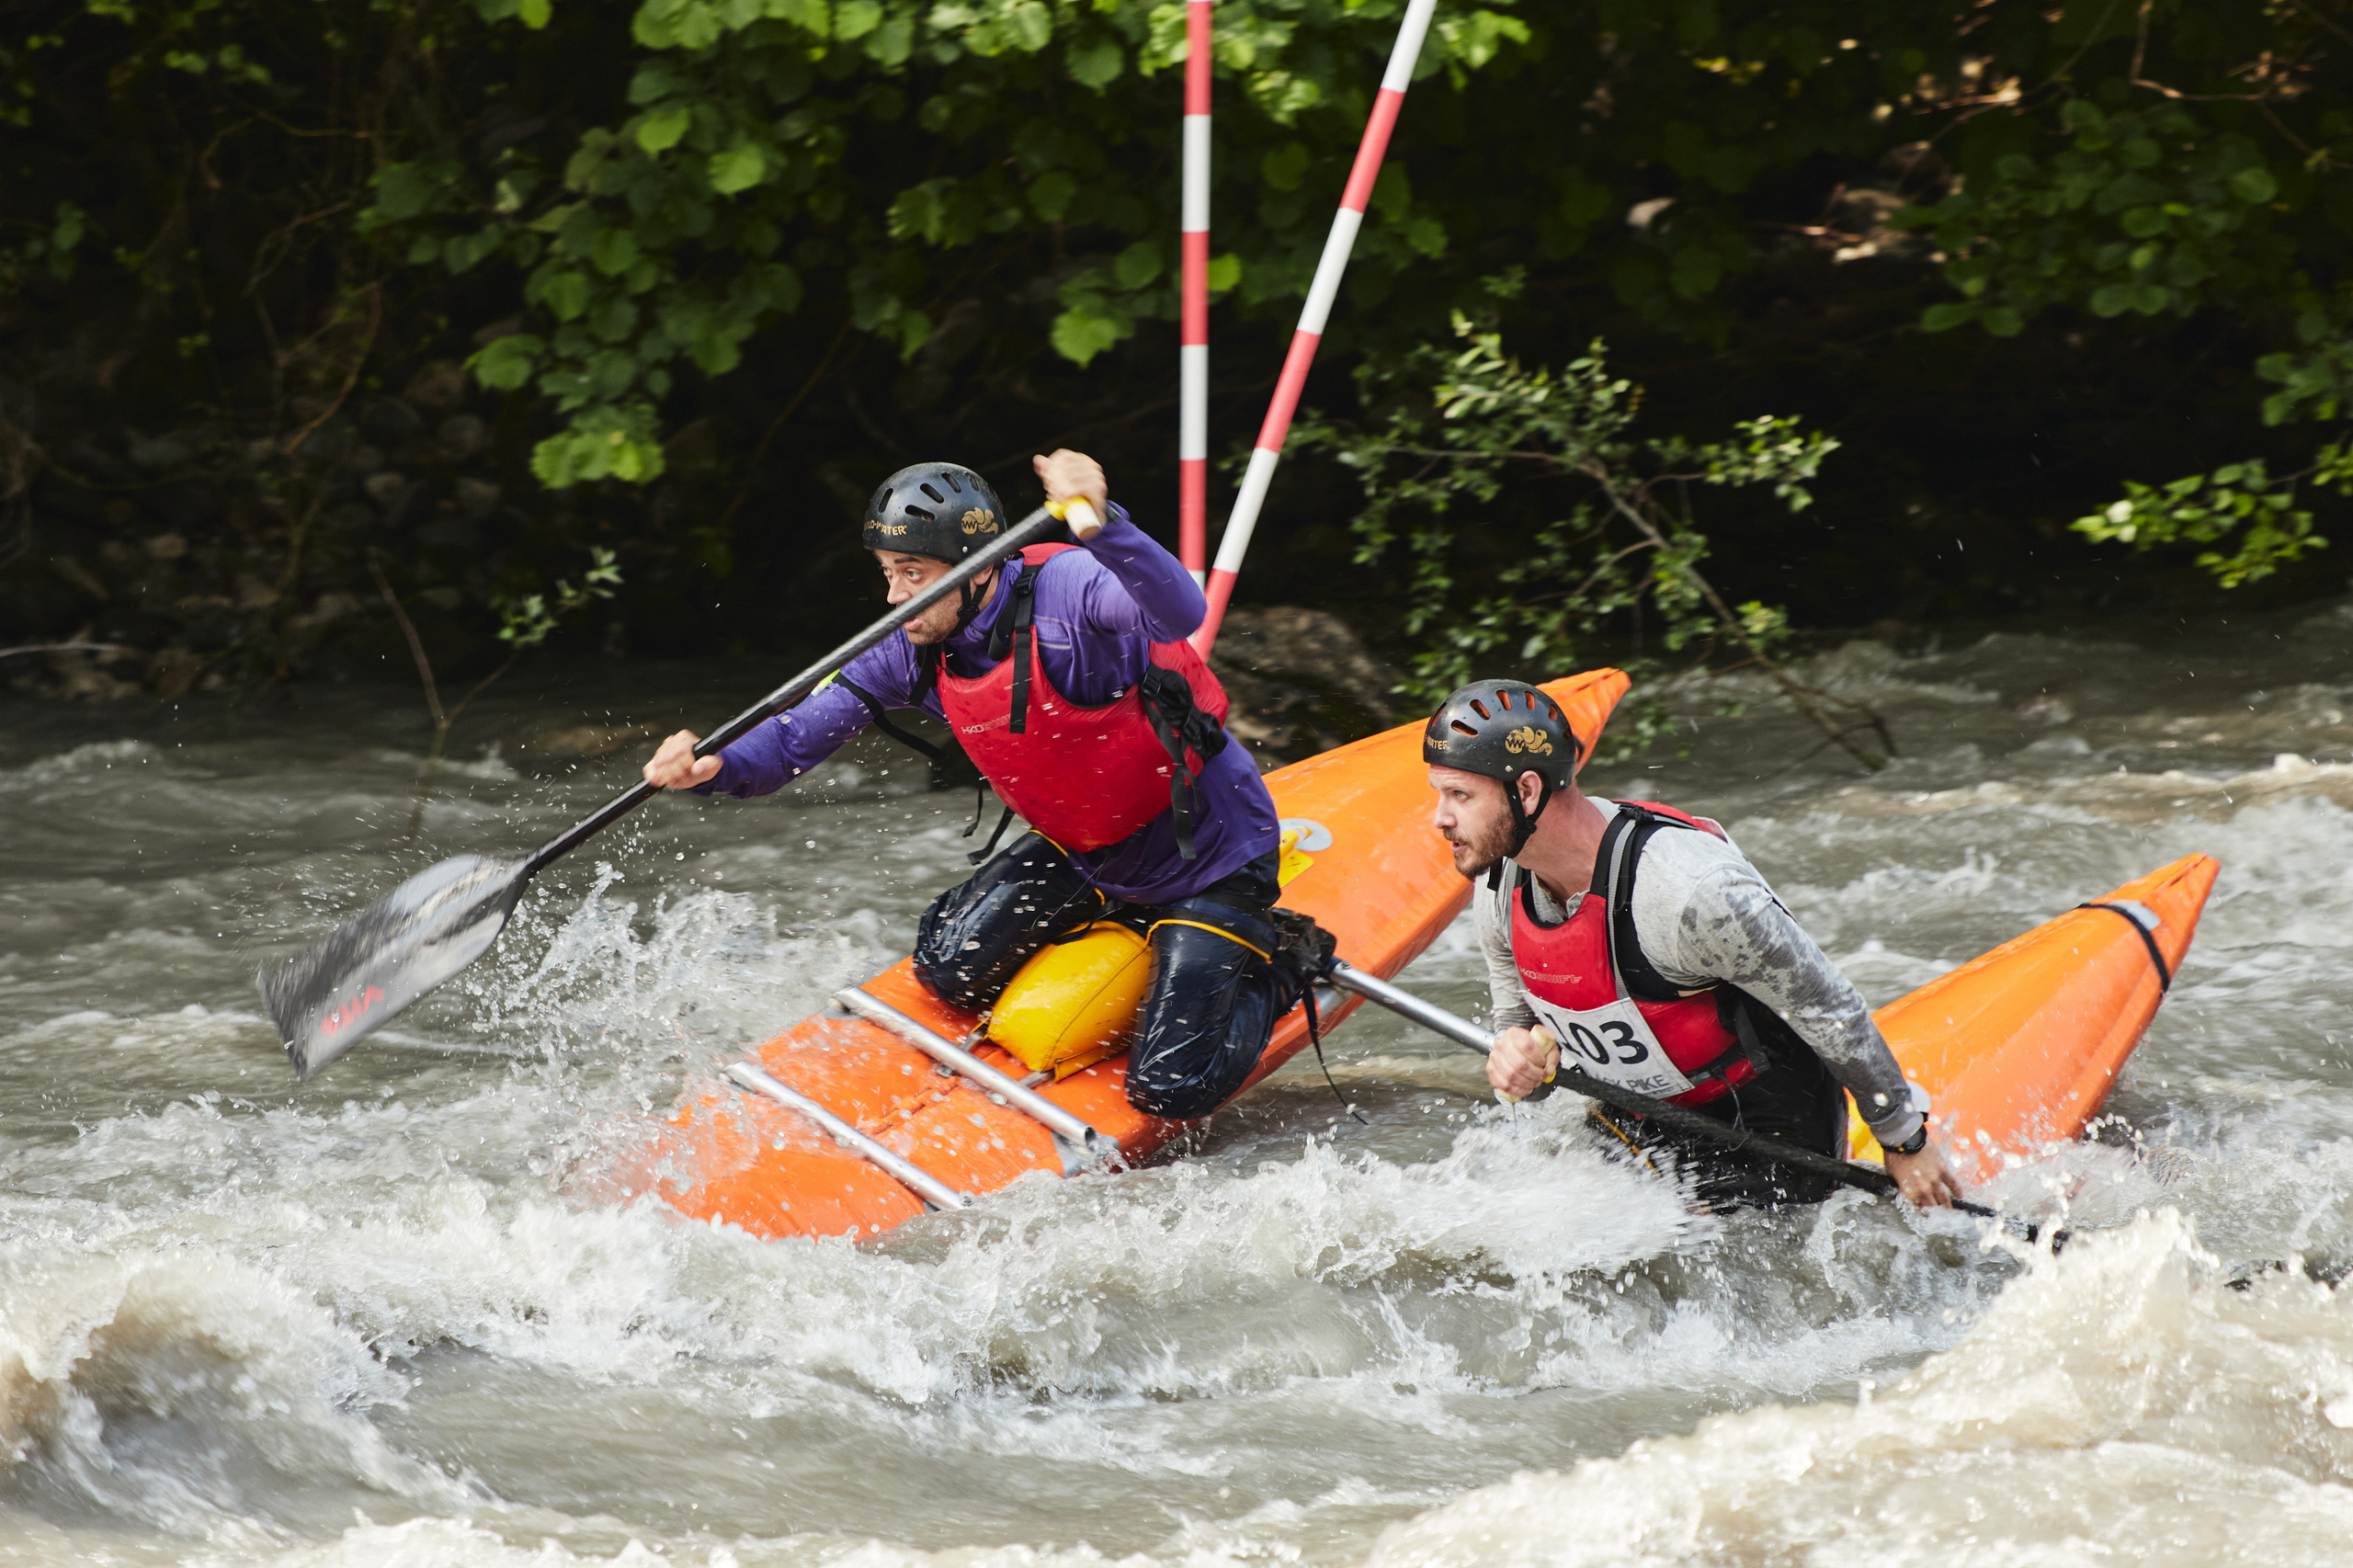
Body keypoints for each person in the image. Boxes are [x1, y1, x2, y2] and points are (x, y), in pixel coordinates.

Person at [642, 449, 1329, 1119]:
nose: (894, 596)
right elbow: (791, 739)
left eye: (912, 572)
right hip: (1087, 852)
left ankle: (1285, 957)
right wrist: (714, 766)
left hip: (1209, 855)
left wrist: (1102, 520)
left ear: (975, 569)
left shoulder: (1071, 594)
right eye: (887, 572)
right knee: (948, 969)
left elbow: (1179, 612)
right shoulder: (909, 644)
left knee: (1172, 1090)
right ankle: (1127, 923)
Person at [1424, 677, 1962, 1210]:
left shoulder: (1690, 893)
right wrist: (1515, 1059)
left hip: (1762, 1117)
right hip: (1638, 1112)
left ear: (1527, 791)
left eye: (1460, 795)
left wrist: (1903, 1140)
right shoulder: (1498, 888)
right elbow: (1518, 1034)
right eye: (1440, 794)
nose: (1440, 818)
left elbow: (1828, 1008)